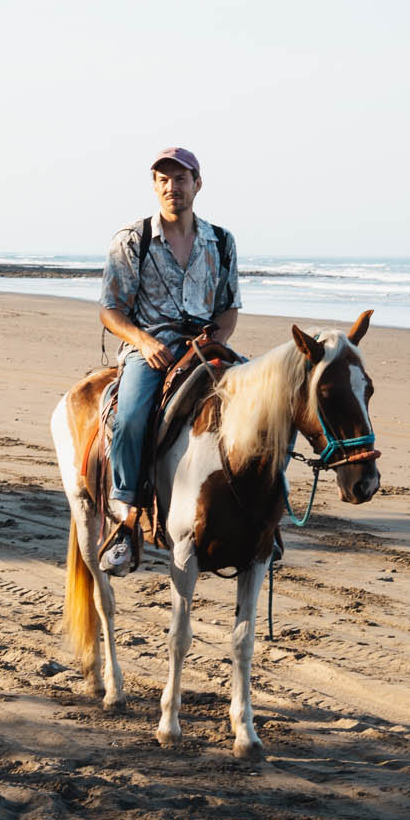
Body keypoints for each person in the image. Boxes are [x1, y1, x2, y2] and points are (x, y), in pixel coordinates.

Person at [96, 147, 240, 573]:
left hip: (205, 346)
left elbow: (230, 307)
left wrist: (216, 339)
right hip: (151, 349)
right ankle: (125, 518)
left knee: (262, 404)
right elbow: (110, 310)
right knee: (133, 417)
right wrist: (143, 342)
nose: (172, 186)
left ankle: (267, 513)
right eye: (163, 179)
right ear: (155, 185)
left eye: (180, 178)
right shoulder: (133, 240)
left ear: (198, 184)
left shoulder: (222, 241)